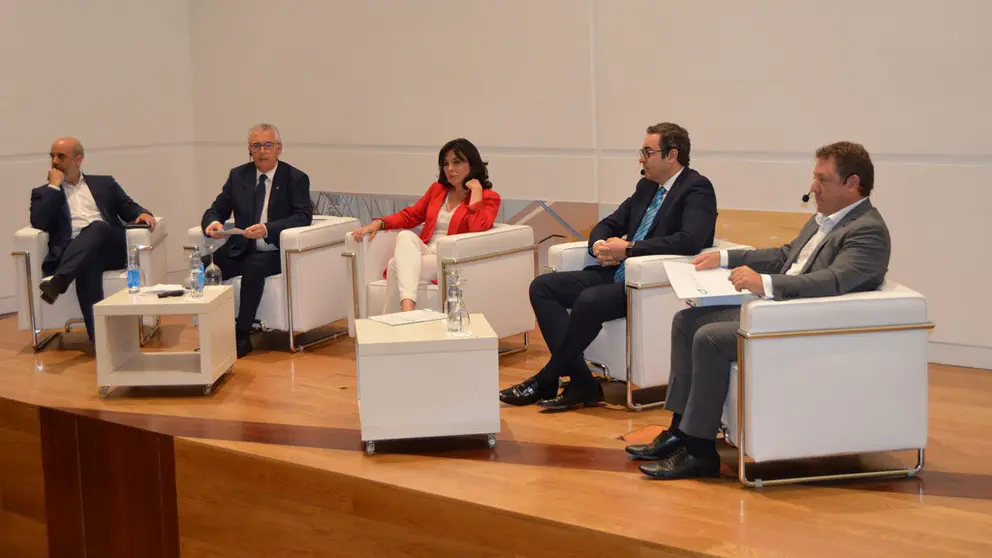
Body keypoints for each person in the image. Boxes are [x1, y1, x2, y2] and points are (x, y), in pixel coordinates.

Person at [628, 141, 890, 480]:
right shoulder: (823, 220)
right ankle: (680, 430)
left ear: (852, 183)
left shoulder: (867, 230)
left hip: (805, 322)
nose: (813, 188)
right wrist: (723, 257)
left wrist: (764, 284)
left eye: (822, 180)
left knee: (710, 338)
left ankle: (700, 451)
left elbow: (832, 282)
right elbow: (785, 256)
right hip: (776, 311)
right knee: (687, 321)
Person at [500, 122, 718, 412]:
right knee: (543, 287)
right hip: (615, 273)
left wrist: (628, 249)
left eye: (647, 152)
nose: (641, 158)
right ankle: (582, 382)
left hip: (647, 284)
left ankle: (547, 377)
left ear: (671, 155)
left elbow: (689, 240)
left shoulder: (697, 189)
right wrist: (600, 245)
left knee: (590, 299)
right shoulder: (646, 187)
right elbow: (610, 222)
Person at [350, 138, 500, 313]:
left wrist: (476, 192)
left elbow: (477, 229)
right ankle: (407, 310)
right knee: (405, 236)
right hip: (427, 251)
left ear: (472, 164)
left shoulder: (489, 197)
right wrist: (380, 223)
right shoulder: (438, 190)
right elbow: (412, 215)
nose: (450, 169)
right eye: (446, 164)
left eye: (457, 162)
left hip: (451, 259)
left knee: (394, 265)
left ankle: (396, 324)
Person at [30, 137, 156, 345]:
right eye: (52, 156)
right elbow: (38, 222)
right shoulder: (44, 193)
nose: (55, 161)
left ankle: (60, 279)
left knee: (98, 226)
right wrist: (53, 187)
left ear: (78, 160)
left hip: (111, 247)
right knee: (89, 263)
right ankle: (100, 342)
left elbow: (128, 207)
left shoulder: (104, 183)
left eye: (61, 156)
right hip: (75, 252)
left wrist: (142, 213)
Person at [201, 123, 313, 358]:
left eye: (268, 145)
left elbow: (303, 217)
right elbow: (217, 207)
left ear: (279, 149)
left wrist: (267, 229)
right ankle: (212, 333)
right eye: (256, 146)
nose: (262, 151)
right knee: (204, 266)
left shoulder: (295, 178)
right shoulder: (238, 175)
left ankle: (242, 335)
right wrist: (213, 223)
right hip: (242, 247)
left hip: (274, 252)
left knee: (254, 268)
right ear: (249, 150)